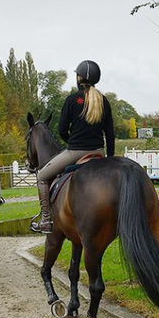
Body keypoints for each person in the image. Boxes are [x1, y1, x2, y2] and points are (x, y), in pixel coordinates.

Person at [30, 60, 115, 234]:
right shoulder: (103, 101)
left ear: (79, 78)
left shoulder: (71, 100)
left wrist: (72, 142)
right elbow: (110, 134)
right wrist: (110, 158)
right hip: (98, 151)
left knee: (42, 175)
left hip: (75, 151)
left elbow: (61, 129)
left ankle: (46, 219)